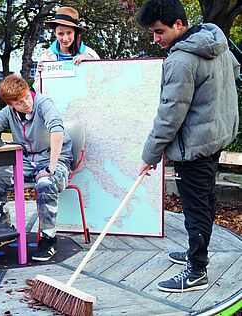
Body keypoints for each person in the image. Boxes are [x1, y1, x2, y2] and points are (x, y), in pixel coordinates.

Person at [137, 0, 240, 293]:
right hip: (214, 138)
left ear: (179, 25)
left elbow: (170, 114)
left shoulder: (181, 61)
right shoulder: (215, 42)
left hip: (193, 147)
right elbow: (233, 73)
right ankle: (198, 253)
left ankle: (196, 271)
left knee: (195, 208)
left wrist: (151, 154)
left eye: (159, 31)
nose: (155, 39)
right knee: (205, 199)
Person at [0, 75, 73, 262]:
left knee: (45, 183)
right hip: (27, 161)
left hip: (56, 160)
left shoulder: (43, 103)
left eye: (27, 97)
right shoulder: (8, 111)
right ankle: (4, 231)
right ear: (10, 104)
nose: (26, 103)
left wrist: (51, 168)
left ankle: (49, 239)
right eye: (19, 102)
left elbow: (57, 130)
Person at [33, 6, 99, 92]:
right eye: (60, 33)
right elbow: (38, 89)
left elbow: (100, 83)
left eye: (69, 33)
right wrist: (43, 76)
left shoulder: (89, 54)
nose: (65, 38)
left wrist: (89, 64)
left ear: (75, 33)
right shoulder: (46, 57)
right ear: (54, 33)